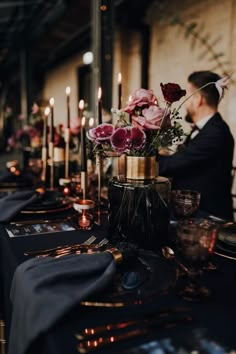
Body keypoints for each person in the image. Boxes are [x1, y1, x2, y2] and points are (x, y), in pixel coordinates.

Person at [159, 70, 234, 220]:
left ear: (198, 99)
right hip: (190, 210)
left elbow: (173, 165)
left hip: (208, 218)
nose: (185, 102)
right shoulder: (208, 129)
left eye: (187, 97)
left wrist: (142, 157)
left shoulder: (215, 133)